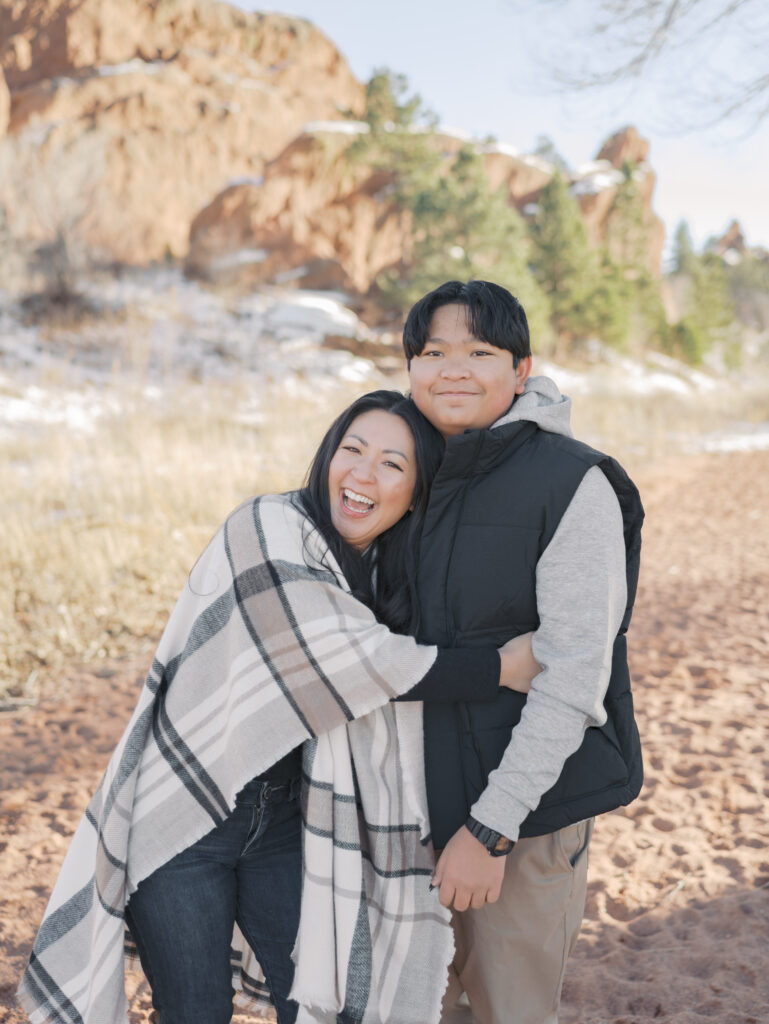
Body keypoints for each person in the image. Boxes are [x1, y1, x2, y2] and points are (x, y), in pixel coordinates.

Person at [19, 390, 541, 1024]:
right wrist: (502, 669)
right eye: (352, 450)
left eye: (392, 464)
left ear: (416, 490)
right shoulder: (266, 528)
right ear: (327, 455)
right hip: (187, 818)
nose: (362, 474)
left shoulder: (385, 571)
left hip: (295, 817)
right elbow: (361, 661)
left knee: (331, 1005)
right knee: (196, 1012)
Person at [402, 281, 644, 1024]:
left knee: (507, 1007)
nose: (453, 370)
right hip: (401, 805)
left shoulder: (572, 482)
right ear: (408, 367)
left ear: (521, 368)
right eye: (433, 352)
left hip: (525, 813)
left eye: (479, 352)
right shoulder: (389, 470)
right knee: (404, 1004)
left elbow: (574, 676)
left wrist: (490, 828)